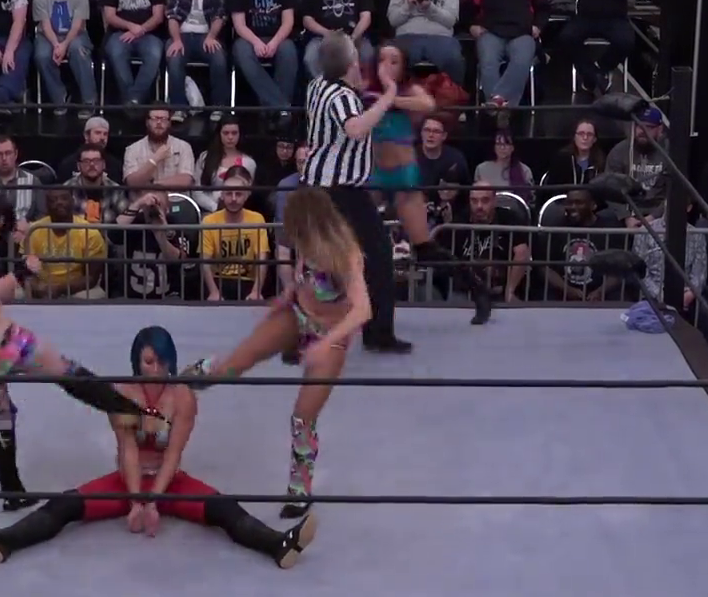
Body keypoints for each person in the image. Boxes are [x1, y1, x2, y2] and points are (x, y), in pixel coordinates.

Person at [0, 326, 317, 566]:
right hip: (127, 479)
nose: (155, 368)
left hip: (170, 481)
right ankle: (4, 540)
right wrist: (135, 502)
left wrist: (154, 502)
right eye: (148, 361)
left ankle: (278, 544)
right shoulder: (123, 395)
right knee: (65, 505)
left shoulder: (183, 398)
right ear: (136, 362)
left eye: (161, 362)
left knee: (224, 509)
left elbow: (174, 453)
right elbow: (127, 450)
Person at [0, 189, 155, 511]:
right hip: (3, 343)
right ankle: (132, 412)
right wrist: (22, 271)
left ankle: (12, 491)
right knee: (63, 368)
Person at [181, 187, 371, 519]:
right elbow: (306, 281)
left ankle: (300, 490)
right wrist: (287, 297)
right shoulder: (303, 242)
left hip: (331, 333)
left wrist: (326, 343)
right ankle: (180, 381)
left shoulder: (345, 251)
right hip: (297, 316)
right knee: (233, 364)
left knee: (303, 417)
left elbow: (363, 310)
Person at [366, 41, 492, 325]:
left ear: (403, 66)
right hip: (373, 177)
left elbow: (429, 104)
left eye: (394, 61)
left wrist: (391, 96)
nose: (387, 66)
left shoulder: (409, 91)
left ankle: (477, 290)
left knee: (424, 246)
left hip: (403, 176)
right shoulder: (366, 91)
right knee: (356, 240)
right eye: (383, 60)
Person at [302, 31, 406, 353]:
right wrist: (390, 93)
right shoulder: (341, 97)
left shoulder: (317, 85)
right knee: (378, 255)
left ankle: (310, 331)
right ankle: (378, 334)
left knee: (329, 260)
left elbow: (353, 96)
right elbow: (356, 128)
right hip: (339, 190)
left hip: (322, 186)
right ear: (351, 62)